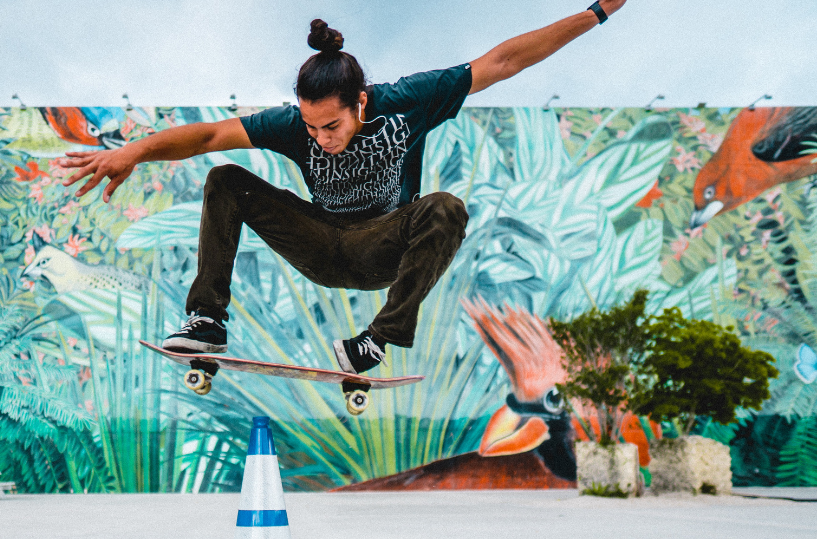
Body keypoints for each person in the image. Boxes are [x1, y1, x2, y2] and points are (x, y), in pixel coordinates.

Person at [61, 1, 626, 374]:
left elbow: (504, 62)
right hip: (321, 241)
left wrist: (597, 12)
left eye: (331, 126)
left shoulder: (410, 100)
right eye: (311, 128)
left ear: (360, 102)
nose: (321, 139)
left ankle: (376, 341)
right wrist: (132, 149)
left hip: (383, 244)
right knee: (226, 181)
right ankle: (207, 320)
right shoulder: (291, 126)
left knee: (446, 208)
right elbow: (210, 134)